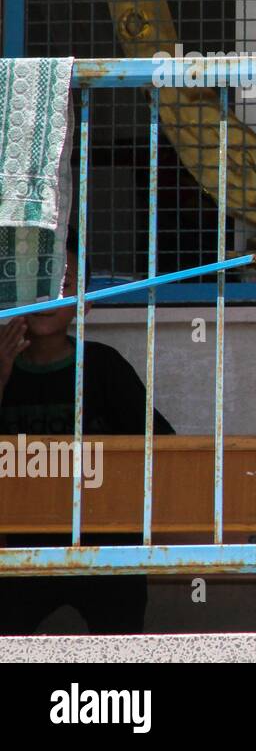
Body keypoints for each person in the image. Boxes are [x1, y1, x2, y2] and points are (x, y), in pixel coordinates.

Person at [0, 257, 175, 634]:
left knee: (119, 639)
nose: (48, 297)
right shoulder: (2, 366)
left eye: (63, 284)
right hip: (21, 545)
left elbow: (162, 446)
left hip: (106, 543)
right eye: (36, 281)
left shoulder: (102, 366)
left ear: (86, 301)